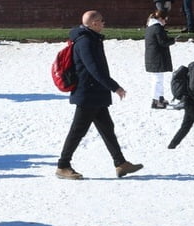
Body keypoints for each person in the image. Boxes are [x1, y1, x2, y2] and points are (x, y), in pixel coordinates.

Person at [54, 11, 142, 180]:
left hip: (95, 94)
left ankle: (120, 163)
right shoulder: (85, 42)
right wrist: (114, 87)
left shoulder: (91, 38)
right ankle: (63, 165)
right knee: (77, 131)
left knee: (108, 129)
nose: (104, 23)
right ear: (93, 23)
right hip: (88, 94)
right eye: (102, 20)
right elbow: (94, 69)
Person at [143, 11, 175, 110]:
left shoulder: (150, 27)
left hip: (153, 58)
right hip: (156, 58)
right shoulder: (157, 28)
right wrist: (172, 40)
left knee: (159, 79)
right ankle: (155, 101)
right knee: (157, 80)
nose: (166, 21)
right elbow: (163, 42)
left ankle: (160, 98)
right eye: (165, 19)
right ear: (161, 18)